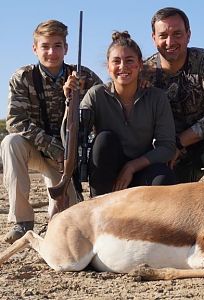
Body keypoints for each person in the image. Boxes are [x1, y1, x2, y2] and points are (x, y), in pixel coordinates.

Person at [0, 20, 102, 244]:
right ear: (35, 48)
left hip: (68, 159)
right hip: (37, 151)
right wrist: (52, 146)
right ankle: (23, 221)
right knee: (10, 142)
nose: (52, 52)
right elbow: (16, 121)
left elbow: (107, 107)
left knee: (71, 219)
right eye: (45, 46)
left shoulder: (85, 77)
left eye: (57, 46)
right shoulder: (22, 77)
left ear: (66, 48)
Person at [64, 31, 176, 197]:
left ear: (139, 64)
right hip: (107, 173)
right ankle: (101, 206)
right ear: (108, 67)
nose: (123, 67)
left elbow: (166, 147)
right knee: (104, 140)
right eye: (116, 61)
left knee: (163, 178)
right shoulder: (96, 94)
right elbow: (70, 137)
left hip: (142, 169)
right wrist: (69, 103)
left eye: (129, 61)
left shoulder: (157, 97)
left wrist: (131, 167)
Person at [143, 7, 204, 189]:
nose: (170, 41)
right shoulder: (143, 73)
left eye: (177, 34)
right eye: (163, 35)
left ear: (188, 35)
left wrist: (179, 143)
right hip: (165, 155)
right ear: (153, 38)